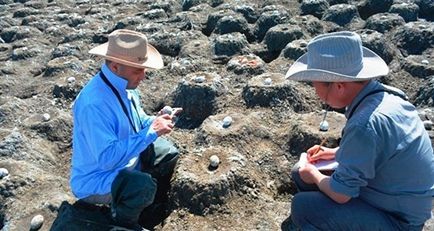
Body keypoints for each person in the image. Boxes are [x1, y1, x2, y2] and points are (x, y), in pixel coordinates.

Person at [285, 31, 434, 230]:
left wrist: (313, 174)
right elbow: (383, 149)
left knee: (302, 207)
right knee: (300, 173)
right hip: (395, 198)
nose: (315, 91)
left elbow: (341, 193)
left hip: (398, 221)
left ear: (338, 86)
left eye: (315, 84)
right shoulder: (385, 97)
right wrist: (336, 153)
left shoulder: (364, 124)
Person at [70, 29, 181, 230]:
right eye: (138, 70)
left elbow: (135, 122)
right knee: (141, 186)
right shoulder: (93, 104)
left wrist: (156, 120)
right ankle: (122, 222)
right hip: (97, 180)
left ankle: (145, 199)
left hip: (125, 161)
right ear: (114, 66)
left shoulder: (125, 87)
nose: (144, 76)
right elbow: (107, 159)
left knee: (168, 152)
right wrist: (152, 132)